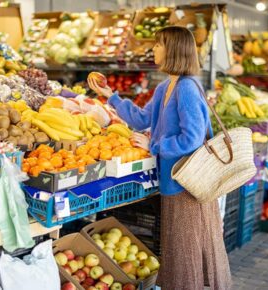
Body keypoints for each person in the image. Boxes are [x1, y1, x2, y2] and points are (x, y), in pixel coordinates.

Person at [88, 26, 232, 290]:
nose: (154, 48)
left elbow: (192, 138)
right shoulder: (166, 86)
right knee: (176, 250)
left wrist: (154, 144)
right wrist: (111, 97)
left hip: (187, 183)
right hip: (172, 180)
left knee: (185, 251)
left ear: (174, 50)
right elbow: (142, 118)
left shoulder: (187, 88)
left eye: (158, 44)